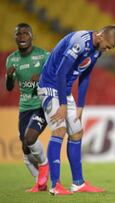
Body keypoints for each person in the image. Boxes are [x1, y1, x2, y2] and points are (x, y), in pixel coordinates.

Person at [37, 25, 115, 195]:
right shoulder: (79, 42)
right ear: (100, 36)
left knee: (76, 132)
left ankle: (78, 183)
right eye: (108, 46)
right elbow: (60, 73)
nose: (107, 50)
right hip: (50, 86)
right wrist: (62, 104)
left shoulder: (96, 51)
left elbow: (86, 76)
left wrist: (80, 105)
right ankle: (55, 185)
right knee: (59, 130)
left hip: (65, 91)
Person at [5, 23, 49, 192]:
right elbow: (9, 88)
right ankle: (40, 183)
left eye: (25, 33)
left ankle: (44, 166)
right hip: (25, 107)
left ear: (32, 37)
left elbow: (57, 75)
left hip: (42, 104)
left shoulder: (44, 56)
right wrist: (9, 77)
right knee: (25, 146)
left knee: (30, 139)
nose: (22, 36)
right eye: (18, 34)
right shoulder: (11, 59)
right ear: (15, 38)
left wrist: (43, 78)